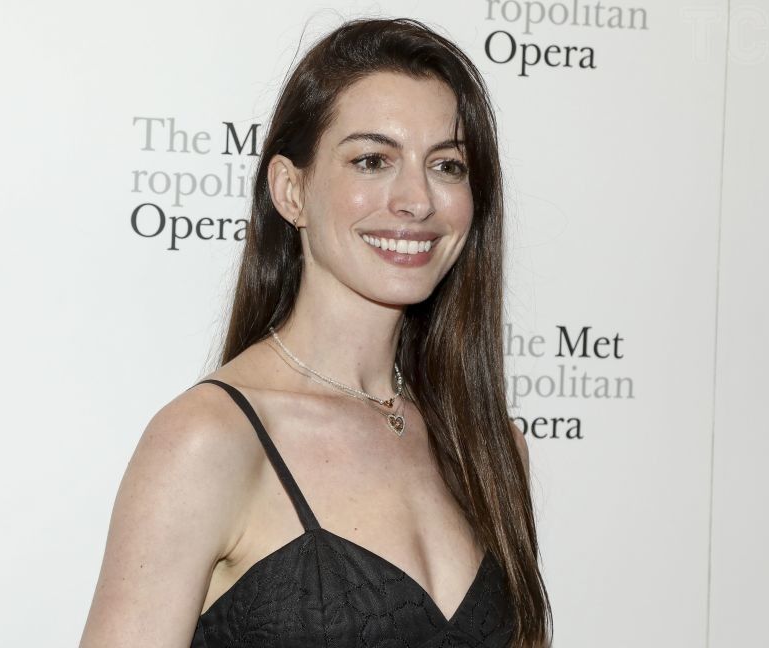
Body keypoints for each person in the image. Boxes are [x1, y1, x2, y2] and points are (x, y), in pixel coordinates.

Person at [80, 17, 552, 648]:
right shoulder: (209, 441)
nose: (417, 199)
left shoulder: (491, 448)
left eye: (446, 165)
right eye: (372, 160)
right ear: (291, 190)